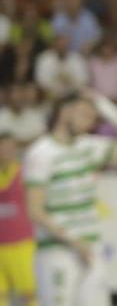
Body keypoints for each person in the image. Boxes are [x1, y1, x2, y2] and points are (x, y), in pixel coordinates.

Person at [24, 90, 117, 306]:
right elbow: (35, 210)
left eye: (93, 117)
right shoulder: (41, 153)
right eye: (84, 115)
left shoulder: (89, 146)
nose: (90, 122)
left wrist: (106, 107)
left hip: (91, 249)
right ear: (65, 112)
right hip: (57, 250)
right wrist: (74, 241)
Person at [0, 126, 37, 306]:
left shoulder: (26, 173)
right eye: (3, 146)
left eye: (11, 146)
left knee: (29, 296)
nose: (7, 150)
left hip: (22, 244)